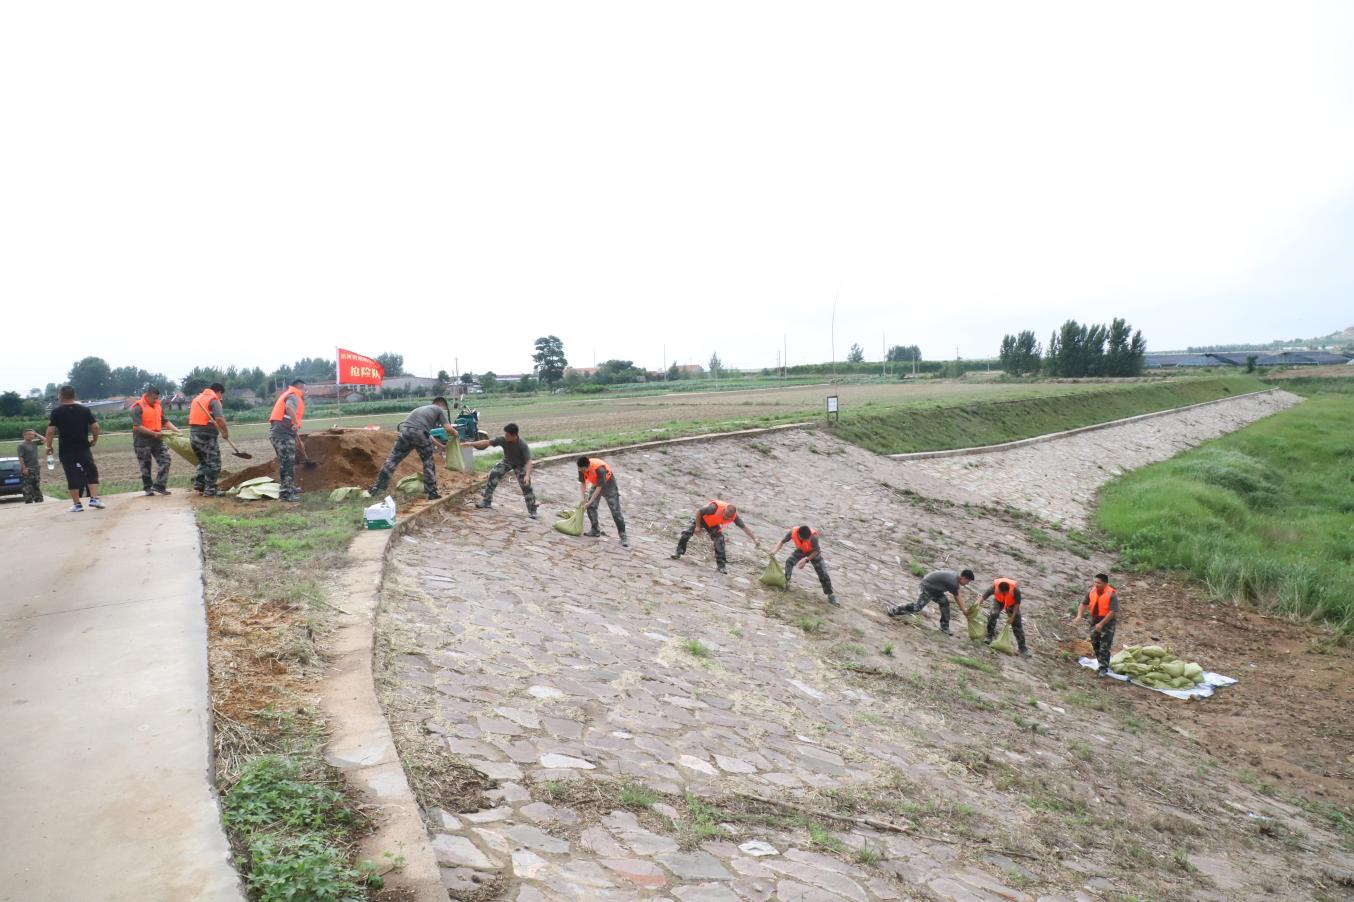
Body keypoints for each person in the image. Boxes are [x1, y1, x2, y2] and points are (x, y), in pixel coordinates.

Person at [369, 397, 451, 500]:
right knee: (428, 462)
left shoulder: (422, 410)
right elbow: (448, 428)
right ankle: (432, 492)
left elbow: (427, 434)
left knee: (392, 460)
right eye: (444, 408)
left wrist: (441, 446)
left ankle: (377, 488)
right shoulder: (438, 409)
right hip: (418, 432)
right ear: (441, 405)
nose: (443, 410)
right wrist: (456, 435)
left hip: (405, 431)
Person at [44, 385, 104, 512]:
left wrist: (48, 446)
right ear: (74, 395)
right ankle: (94, 498)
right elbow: (96, 427)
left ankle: (77, 505)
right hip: (83, 447)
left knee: (71, 475)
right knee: (91, 471)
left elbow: (50, 432)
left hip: (66, 449)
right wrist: (94, 439)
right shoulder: (85, 410)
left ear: (60, 396)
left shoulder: (56, 412)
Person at [671, 499, 758, 574]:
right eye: (726, 516)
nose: (727, 518)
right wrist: (697, 527)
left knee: (719, 540)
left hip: (712, 524)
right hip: (701, 519)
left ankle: (721, 566)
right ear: (724, 510)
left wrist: (754, 539)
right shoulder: (713, 508)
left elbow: (744, 528)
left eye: (729, 517)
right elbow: (699, 512)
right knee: (686, 533)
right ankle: (678, 552)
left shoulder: (734, 517)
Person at [470, 423, 537, 518]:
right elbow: (487, 442)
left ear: (514, 435)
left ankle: (532, 510)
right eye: (505, 434)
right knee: (494, 474)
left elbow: (529, 461)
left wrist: (527, 475)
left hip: (520, 465)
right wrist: (471, 444)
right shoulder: (503, 439)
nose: (505, 437)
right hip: (507, 461)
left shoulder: (522, 444)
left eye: (507, 435)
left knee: (526, 485)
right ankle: (486, 501)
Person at [887, 568, 974, 635]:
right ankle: (894, 609)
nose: (967, 583)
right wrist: (964, 610)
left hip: (936, 589)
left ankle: (944, 627)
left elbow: (958, 593)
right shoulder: (953, 582)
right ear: (963, 577)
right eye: (968, 581)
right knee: (917, 607)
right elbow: (957, 597)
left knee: (944, 603)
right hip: (927, 587)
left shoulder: (956, 577)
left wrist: (964, 609)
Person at [129, 385, 181, 496]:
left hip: (157, 440)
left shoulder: (158, 406)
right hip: (142, 441)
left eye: (157, 398)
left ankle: (159, 485)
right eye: (154, 398)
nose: (156, 400)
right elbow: (137, 426)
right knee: (145, 466)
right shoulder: (137, 407)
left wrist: (177, 431)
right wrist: (153, 433)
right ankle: (148, 488)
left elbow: (165, 421)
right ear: (147, 396)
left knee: (166, 459)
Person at [770, 525, 838, 605]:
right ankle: (786, 583)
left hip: (813, 552)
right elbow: (782, 541)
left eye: (808, 538)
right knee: (789, 562)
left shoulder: (813, 537)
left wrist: (806, 560)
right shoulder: (793, 532)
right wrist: (774, 551)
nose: (807, 539)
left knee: (823, 572)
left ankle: (830, 595)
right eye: (805, 539)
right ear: (799, 535)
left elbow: (816, 551)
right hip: (801, 549)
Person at [268, 379, 307, 502]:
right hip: (282, 435)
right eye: (305, 389)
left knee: (288, 463)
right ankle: (286, 493)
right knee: (287, 464)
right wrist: (295, 422)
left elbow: (286, 416)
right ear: (300, 387)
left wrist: (294, 434)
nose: (306, 392)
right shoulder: (294, 396)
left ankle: (290, 487)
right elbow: (289, 407)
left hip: (281, 434)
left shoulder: (288, 394)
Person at [188, 382, 230, 497]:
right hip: (206, 435)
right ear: (219, 391)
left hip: (193, 434)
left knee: (203, 461)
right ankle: (210, 490)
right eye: (221, 394)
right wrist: (225, 432)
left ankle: (200, 484)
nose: (221, 397)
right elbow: (220, 419)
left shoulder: (197, 398)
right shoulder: (214, 399)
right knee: (214, 463)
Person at [577, 456, 628, 547]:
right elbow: (583, 483)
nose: (582, 472)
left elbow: (599, 489)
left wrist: (589, 502)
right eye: (580, 470)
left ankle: (623, 536)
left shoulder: (600, 469)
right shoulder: (581, 468)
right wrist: (582, 498)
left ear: (588, 466)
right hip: (597, 483)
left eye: (583, 470)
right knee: (591, 508)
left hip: (609, 485)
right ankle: (595, 530)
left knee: (615, 511)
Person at [1075, 573, 1120, 676]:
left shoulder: (1111, 594)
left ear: (1105, 583)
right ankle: (1101, 662)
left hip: (1107, 622)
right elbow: (1083, 604)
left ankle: (1103, 668)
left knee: (1105, 645)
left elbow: (1113, 611)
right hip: (1094, 620)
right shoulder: (1091, 591)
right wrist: (1079, 616)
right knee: (1095, 643)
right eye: (1095, 582)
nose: (1096, 584)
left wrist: (1101, 624)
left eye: (1098, 583)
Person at [982, 577, 1030, 657]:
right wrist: (978, 603)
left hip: (1012, 603)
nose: (1003, 594)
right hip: (998, 601)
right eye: (1002, 593)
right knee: (993, 614)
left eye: (1005, 593)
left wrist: (1012, 617)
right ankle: (989, 635)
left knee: (1017, 624)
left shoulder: (1015, 590)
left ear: (1008, 591)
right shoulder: (995, 586)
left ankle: (1023, 649)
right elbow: (985, 595)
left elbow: (1017, 604)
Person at [17, 428, 44, 504]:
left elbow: (45, 440)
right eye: (29, 434)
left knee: (36, 485)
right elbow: (21, 458)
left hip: (36, 467)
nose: (31, 436)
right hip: (28, 468)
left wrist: (36, 434)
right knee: (28, 486)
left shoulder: (34, 443)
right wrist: (24, 468)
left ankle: (38, 500)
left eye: (32, 434)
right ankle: (28, 501)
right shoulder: (21, 445)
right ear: (24, 435)